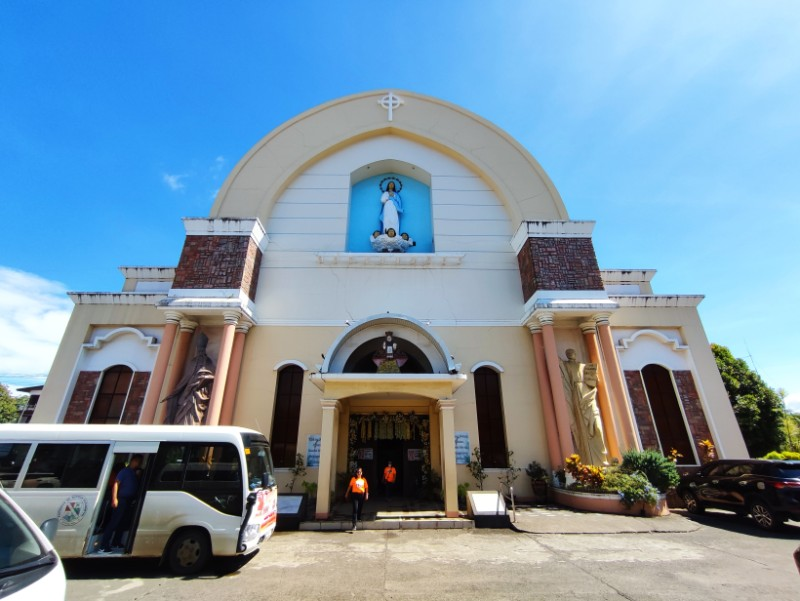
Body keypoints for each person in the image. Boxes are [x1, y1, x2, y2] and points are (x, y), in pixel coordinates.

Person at [560, 348, 608, 465]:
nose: (571, 354)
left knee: (597, 427)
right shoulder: (565, 366)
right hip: (576, 395)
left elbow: (593, 380)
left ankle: (602, 460)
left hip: (588, 394)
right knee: (582, 426)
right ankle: (588, 459)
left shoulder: (584, 366)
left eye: (572, 352)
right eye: (568, 353)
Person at [163, 331, 215, 425]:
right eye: (198, 348)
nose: (200, 350)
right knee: (179, 413)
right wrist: (175, 392)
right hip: (186, 393)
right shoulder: (193, 361)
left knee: (193, 416)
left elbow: (211, 375)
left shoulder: (207, 361)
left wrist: (201, 379)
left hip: (197, 394)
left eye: (201, 348)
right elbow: (186, 378)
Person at [98, 454, 142, 553]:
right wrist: (114, 499)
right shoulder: (124, 471)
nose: (139, 464)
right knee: (114, 522)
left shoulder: (134, 473)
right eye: (138, 462)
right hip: (121, 499)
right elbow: (116, 483)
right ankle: (103, 546)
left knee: (122, 522)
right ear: (133, 461)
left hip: (128, 500)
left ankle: (116, 542)